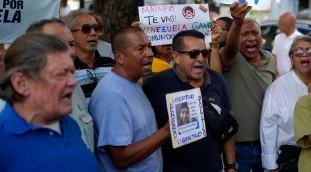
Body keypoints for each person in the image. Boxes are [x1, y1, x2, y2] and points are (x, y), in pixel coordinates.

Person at [0, 33, 98, 171]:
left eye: (72, 72)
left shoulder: (69, 124)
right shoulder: (3, 141)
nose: (73, 82)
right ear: (21, 83)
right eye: (60, 74)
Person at [143, 30, 236, 171]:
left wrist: (231, 167)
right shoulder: (155, 85)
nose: (200, 58)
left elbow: (227, 129)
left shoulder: (218, 80)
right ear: (176, 57)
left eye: (204, 53)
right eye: (193, 54)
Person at [88, 26, 169, 171]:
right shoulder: (111, 95)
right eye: (140, 49)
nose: (150, 53)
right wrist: (166, 131)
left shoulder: (133, 81)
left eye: (150, 47)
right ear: (119, 57)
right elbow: (121, 158)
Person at [220, 2, 276, 172]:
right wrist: (237, 21)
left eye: (255, 33)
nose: (251, 38)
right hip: (237, 147)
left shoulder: (271, 58)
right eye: (245, 34)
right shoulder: (229, 56)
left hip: (267, 145)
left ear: (261, 37)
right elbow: (230, 47)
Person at [26, 18, 94, 152]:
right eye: (59, 45)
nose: (71, 52)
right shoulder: (11, 107)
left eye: (71, 44)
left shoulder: (75, 87)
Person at [260, 36, 311, 171]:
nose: (304, 55)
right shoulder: (278, 87)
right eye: (298, 52)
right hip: (290, 159)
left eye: (310, 51)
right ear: (292, 58)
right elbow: (267, 128)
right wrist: (271, 166)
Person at [64, 9, 115, 101]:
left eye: (96, 28)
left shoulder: (111, 65)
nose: (93, 33)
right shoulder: (66, 70)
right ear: (70, 34)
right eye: (86, 29)